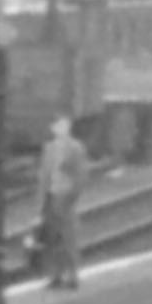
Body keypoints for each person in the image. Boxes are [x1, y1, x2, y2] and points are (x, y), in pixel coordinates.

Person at [36, 114, 90, 289]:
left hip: (65, 197)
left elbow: (81, 175)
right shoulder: (49, 148)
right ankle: (56, 275)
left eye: (63, 125)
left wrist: (72, 195)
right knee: (53, 239)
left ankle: (72, 275)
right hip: (51, 196)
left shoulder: (76, 148)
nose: (60, 129)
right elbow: (44, 175)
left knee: (68, 238)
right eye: (57, 125)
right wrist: (41, 201)